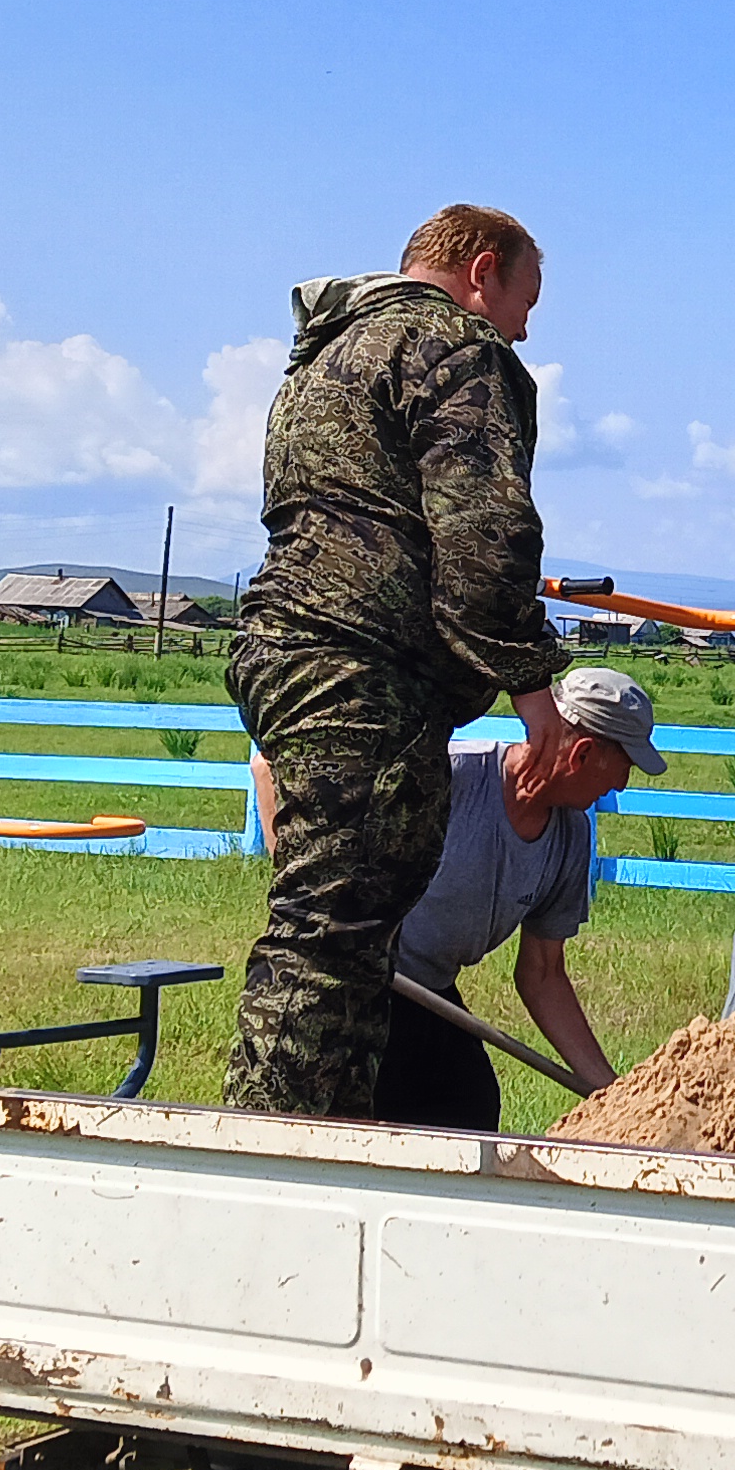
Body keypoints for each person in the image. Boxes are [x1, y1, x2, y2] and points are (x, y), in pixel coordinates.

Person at [224, 201, 572, 1119]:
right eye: (523, 300)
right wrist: (534, 693)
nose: (524, 327)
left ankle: (337, 1133)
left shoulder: (324, 358)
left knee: (345, 925)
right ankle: (269, 1157)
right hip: (360, 668)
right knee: (329, 935)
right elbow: (486, 536)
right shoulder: (455, 347)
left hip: (290, 650)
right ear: (481, 268)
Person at [374, 663, 664, 1130]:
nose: (622, 785)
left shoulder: (570, 838)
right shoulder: (447, 775)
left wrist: (611, 1094)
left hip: (429, 993)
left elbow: (542, 974)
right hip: (358, 981)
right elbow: (269, 768)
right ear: (583, 754)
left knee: (467, 1105)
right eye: (624, 765)